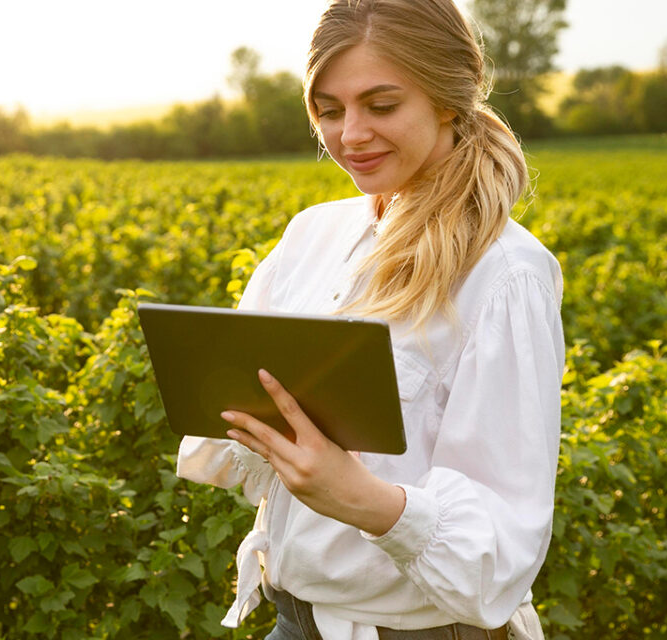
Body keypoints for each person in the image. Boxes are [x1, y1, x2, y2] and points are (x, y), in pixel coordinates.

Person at [175, 0, 565, 639]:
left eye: (381, 106)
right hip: (296, 622)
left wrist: (364, 500)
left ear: (448, 100)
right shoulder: (311, 235)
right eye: (329, 110)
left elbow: (501, 556)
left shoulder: (505, 275)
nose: (350, 134)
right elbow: (228, 447)